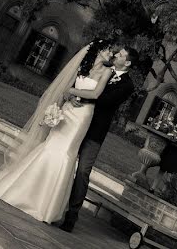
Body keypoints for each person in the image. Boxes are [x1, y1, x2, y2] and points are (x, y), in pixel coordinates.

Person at [0, 41, 125, 226]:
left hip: (82, 117)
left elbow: (96, 94)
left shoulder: (107, 72)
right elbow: (67, 88)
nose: (111, 54)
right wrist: (65, 99)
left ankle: (49, 206)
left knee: (66, 153)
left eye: (114, 52)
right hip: (70, 111)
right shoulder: (83, 66)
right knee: (51, 146)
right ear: (98, 50)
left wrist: (73, 93)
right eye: (109, 50)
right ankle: (25, 192)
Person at [58, 46, 137, 232]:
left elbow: (104, 99)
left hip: (95, 131)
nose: (116, 54)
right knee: (63, 160)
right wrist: (72, 97)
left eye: (121, 54)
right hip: (75, 122)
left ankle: (71, 216)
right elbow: (83, 84)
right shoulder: (100, 68)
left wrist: (77, 94)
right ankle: (53, 203)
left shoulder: (127, 85)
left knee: (83, 170)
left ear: (127, 63)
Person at [150, 112, 177, 196]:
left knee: (170, 174)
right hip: (169, 151)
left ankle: (163, 193)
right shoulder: (176, 127)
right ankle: (152, 188)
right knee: (161, 170)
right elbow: (170, 135)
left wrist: (176, 140)